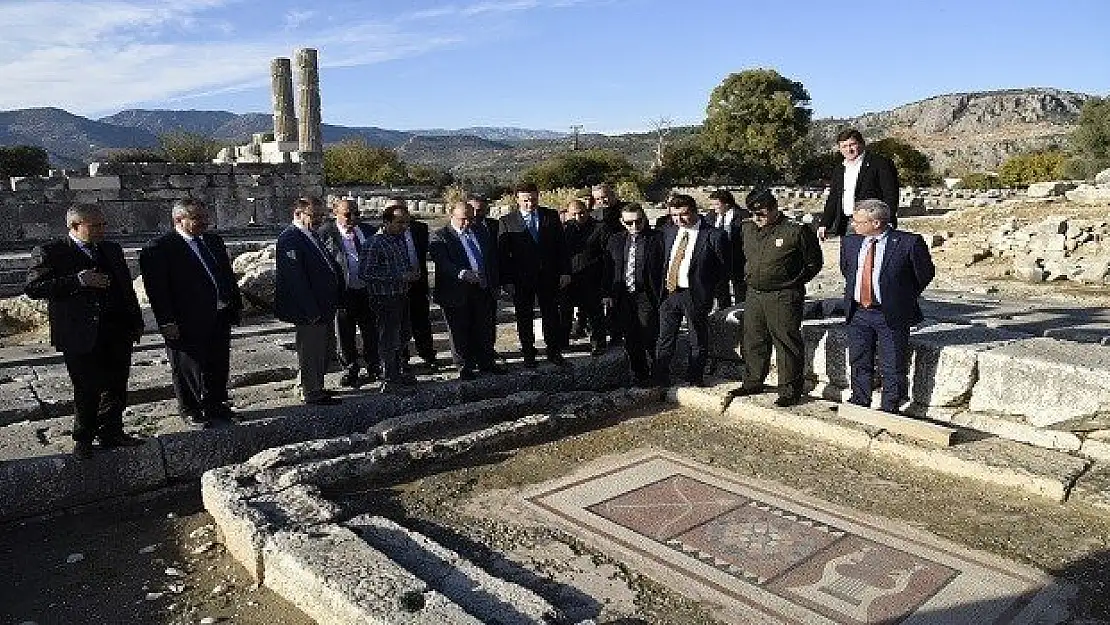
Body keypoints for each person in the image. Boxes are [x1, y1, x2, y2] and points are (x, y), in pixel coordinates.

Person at [25, 204, 145, 459]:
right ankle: (84, 437)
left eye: (104, 225)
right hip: (79, 332)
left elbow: (125, 287)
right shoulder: (51, 252)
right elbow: (34, 287)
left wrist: (135, 321)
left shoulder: (110, 248)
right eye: (95, 226)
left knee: (116, 385)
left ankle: (111, 431)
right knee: (86, 388)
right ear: (74, 226)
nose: (102, 230)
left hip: (115, 329)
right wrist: (79, 280)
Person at [139, 199, 242, 427]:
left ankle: (216, 404)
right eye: (198, 219)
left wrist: (233, 303)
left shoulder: (213, 241)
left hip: (219, 314)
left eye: (205, 218)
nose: (205, 223)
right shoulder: (159, 248)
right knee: (187, 366)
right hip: (185, 318)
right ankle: (190, 408)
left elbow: (224, 273)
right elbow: (157, 290)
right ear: (179, 220)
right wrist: (166, 321)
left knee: (217, 363)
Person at [730, 189, 823, 407]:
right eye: (753, 214)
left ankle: (790, 390)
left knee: (786, 342)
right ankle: (753, 380)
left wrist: (792, 282)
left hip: (783, 295)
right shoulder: (747, 228)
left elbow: (813, 263)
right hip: (754, 293)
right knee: (754, 339)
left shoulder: (795, 231)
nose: (757, 219)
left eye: (761, 214)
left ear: (774, 209)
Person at [841, 199, 935, 413]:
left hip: (890, 313)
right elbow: (848, 271)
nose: (854, 225)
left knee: (892, 362)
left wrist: (900, 296)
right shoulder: (851, 242)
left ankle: (890, 406)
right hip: (858, 311)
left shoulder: (908, 242)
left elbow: (924, 274)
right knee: (859, 358)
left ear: (876, 223)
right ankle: (860, 398)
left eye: (858, 221)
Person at [653, 194, 730, 387]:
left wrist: (715, 296)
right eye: (674, 215)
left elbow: (723, 269)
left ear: (695, 211)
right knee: (665, 338)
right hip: (670, 292)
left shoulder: (714, 235)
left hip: (695, 294)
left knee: (697, 338)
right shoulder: (668, 231)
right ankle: (661, 377)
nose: (679, 219)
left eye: (684, 214)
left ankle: (695, 377)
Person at [274, 197, 342, 406]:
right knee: (311, 350)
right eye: (315, 216)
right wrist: (310, 309)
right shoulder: (291, 238)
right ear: (298, 214)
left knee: (325, 349)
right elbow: (295, 279)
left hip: (324, 305)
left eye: (323, 215)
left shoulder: (311, 235)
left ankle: (311, 385)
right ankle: (311, 391)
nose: (320, 220)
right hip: (310, 308)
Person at [498, 182, 571, 367]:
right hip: (521, 278)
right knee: (524, 316)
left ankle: (553, 351)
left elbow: (561, 247)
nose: (530, 204)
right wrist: (506, 280)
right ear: (517, 199)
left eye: (533, 199)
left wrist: (565, 272)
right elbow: (503, 255)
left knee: (551, 315)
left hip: (548, 275)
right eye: (526, 200)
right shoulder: (507, 221)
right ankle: (528, 353)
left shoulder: (550, 216)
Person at [429, 202, 502, 378]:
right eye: (463, 219)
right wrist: (463, 273)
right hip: (456, 291)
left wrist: (494, 281)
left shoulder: (480, 231)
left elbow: (491, 258)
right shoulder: (440, 236)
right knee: (459, 330)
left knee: (484, 327)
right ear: (451, 215)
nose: (468, 223)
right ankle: (464, 366)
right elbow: (443, 263)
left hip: (481, 288)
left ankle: (486, 362)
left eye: (470, 218)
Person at [317, 198, 381, 388]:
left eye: (357, 214)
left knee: (371, 331)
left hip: (367, 290)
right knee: (345, 333)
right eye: (347, 214)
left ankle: (374, 365)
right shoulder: (326, 233)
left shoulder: (369, 231)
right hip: (344, 291)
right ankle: (350, 369)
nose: (353, 218)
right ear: (335, 213)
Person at [360, 204, 422, 393]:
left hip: (401, 295)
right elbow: (365, 272)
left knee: (403, 335)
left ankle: (396, 372)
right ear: (386, 222)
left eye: (406, 223)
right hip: (384, 298)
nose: (404, 227)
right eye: (399, 222)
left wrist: (410, 274)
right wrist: (399, 276)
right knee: (389, 338)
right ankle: (389, 379)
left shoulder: (398, 240)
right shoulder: (374, 243)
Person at [602, 204, 664, 386]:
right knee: (630, 337)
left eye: (638, 221)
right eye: (629, 223)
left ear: (644, 219)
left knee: (649, 334)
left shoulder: (657, 239)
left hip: (647, 294)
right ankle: (639, 373)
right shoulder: (615, 240)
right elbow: (608, 268)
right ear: (622, 222)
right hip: (623, 295)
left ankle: (658, 372)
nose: (635, 227)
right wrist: (606, 293)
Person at [384, 199, 438, 370]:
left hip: (417, 284)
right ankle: (402, 359)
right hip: (395, 287)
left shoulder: (420, 228)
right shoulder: (381, 234)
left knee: (422, 321)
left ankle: (428, 355)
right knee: (399, 325)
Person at [818, 128, 900, 240]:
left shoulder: (880, 163)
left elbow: (891, 194)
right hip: (846, 223)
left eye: (852, 145)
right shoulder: (839, 169)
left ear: (861, 144)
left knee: (872, 256)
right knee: (849, 257)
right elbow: (833, 198)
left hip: (872, 223)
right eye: (844, 146)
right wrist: (824, 223)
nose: (848, 149)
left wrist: (888, 220)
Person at [560, 199, 608, 356]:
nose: (578, 216)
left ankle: (598, 343)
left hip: (592, 277)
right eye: (574, 214)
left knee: (595, 312)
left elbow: (606, 255)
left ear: (587, 212)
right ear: (568, 214)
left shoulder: (599, 228)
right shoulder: (565, 229)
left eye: (582, 213)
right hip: (569, 277)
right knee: (565, 312)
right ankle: (563, 342)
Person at [707, 189, 750, 309]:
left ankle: (741, 311)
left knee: (740, 287)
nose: (713, 207)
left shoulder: (743, 215)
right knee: (720, 288)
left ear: (726, 204)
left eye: (717, 204)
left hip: (737, 258)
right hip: (718, 259)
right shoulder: (711, 216)